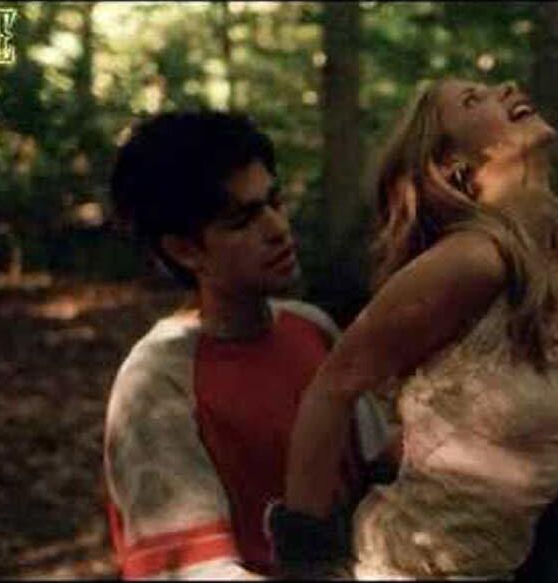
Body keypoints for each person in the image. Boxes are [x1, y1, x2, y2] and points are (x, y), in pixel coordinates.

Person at [269, 79, 558, 579]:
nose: (507, 87)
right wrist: (308, 562)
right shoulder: (473, 260)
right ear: (451, 164)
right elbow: (333, 386)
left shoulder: (555, 270)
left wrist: (552, 553)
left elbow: (554, 440)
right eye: (473, 100)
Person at [101, 111, 397, 579]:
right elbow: (194, 572)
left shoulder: (311, 328)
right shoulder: (157, 380)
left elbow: (382, 476)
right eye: (242, 220)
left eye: (274, 202)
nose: (277, 228)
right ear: (184, 250)